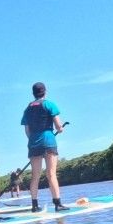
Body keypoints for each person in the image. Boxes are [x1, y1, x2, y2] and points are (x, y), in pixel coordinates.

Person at [20, 82, 68, 212]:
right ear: (45, 91)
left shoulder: (28, 108)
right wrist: (61, 129)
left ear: (33, 93)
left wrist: (34, 140)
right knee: (51, 174)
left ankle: (34, 205)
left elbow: (27, 131)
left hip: (33, 143)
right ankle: (57, 204)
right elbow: (58, 126)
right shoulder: (49, 104)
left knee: (35, 175)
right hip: (48, 141)